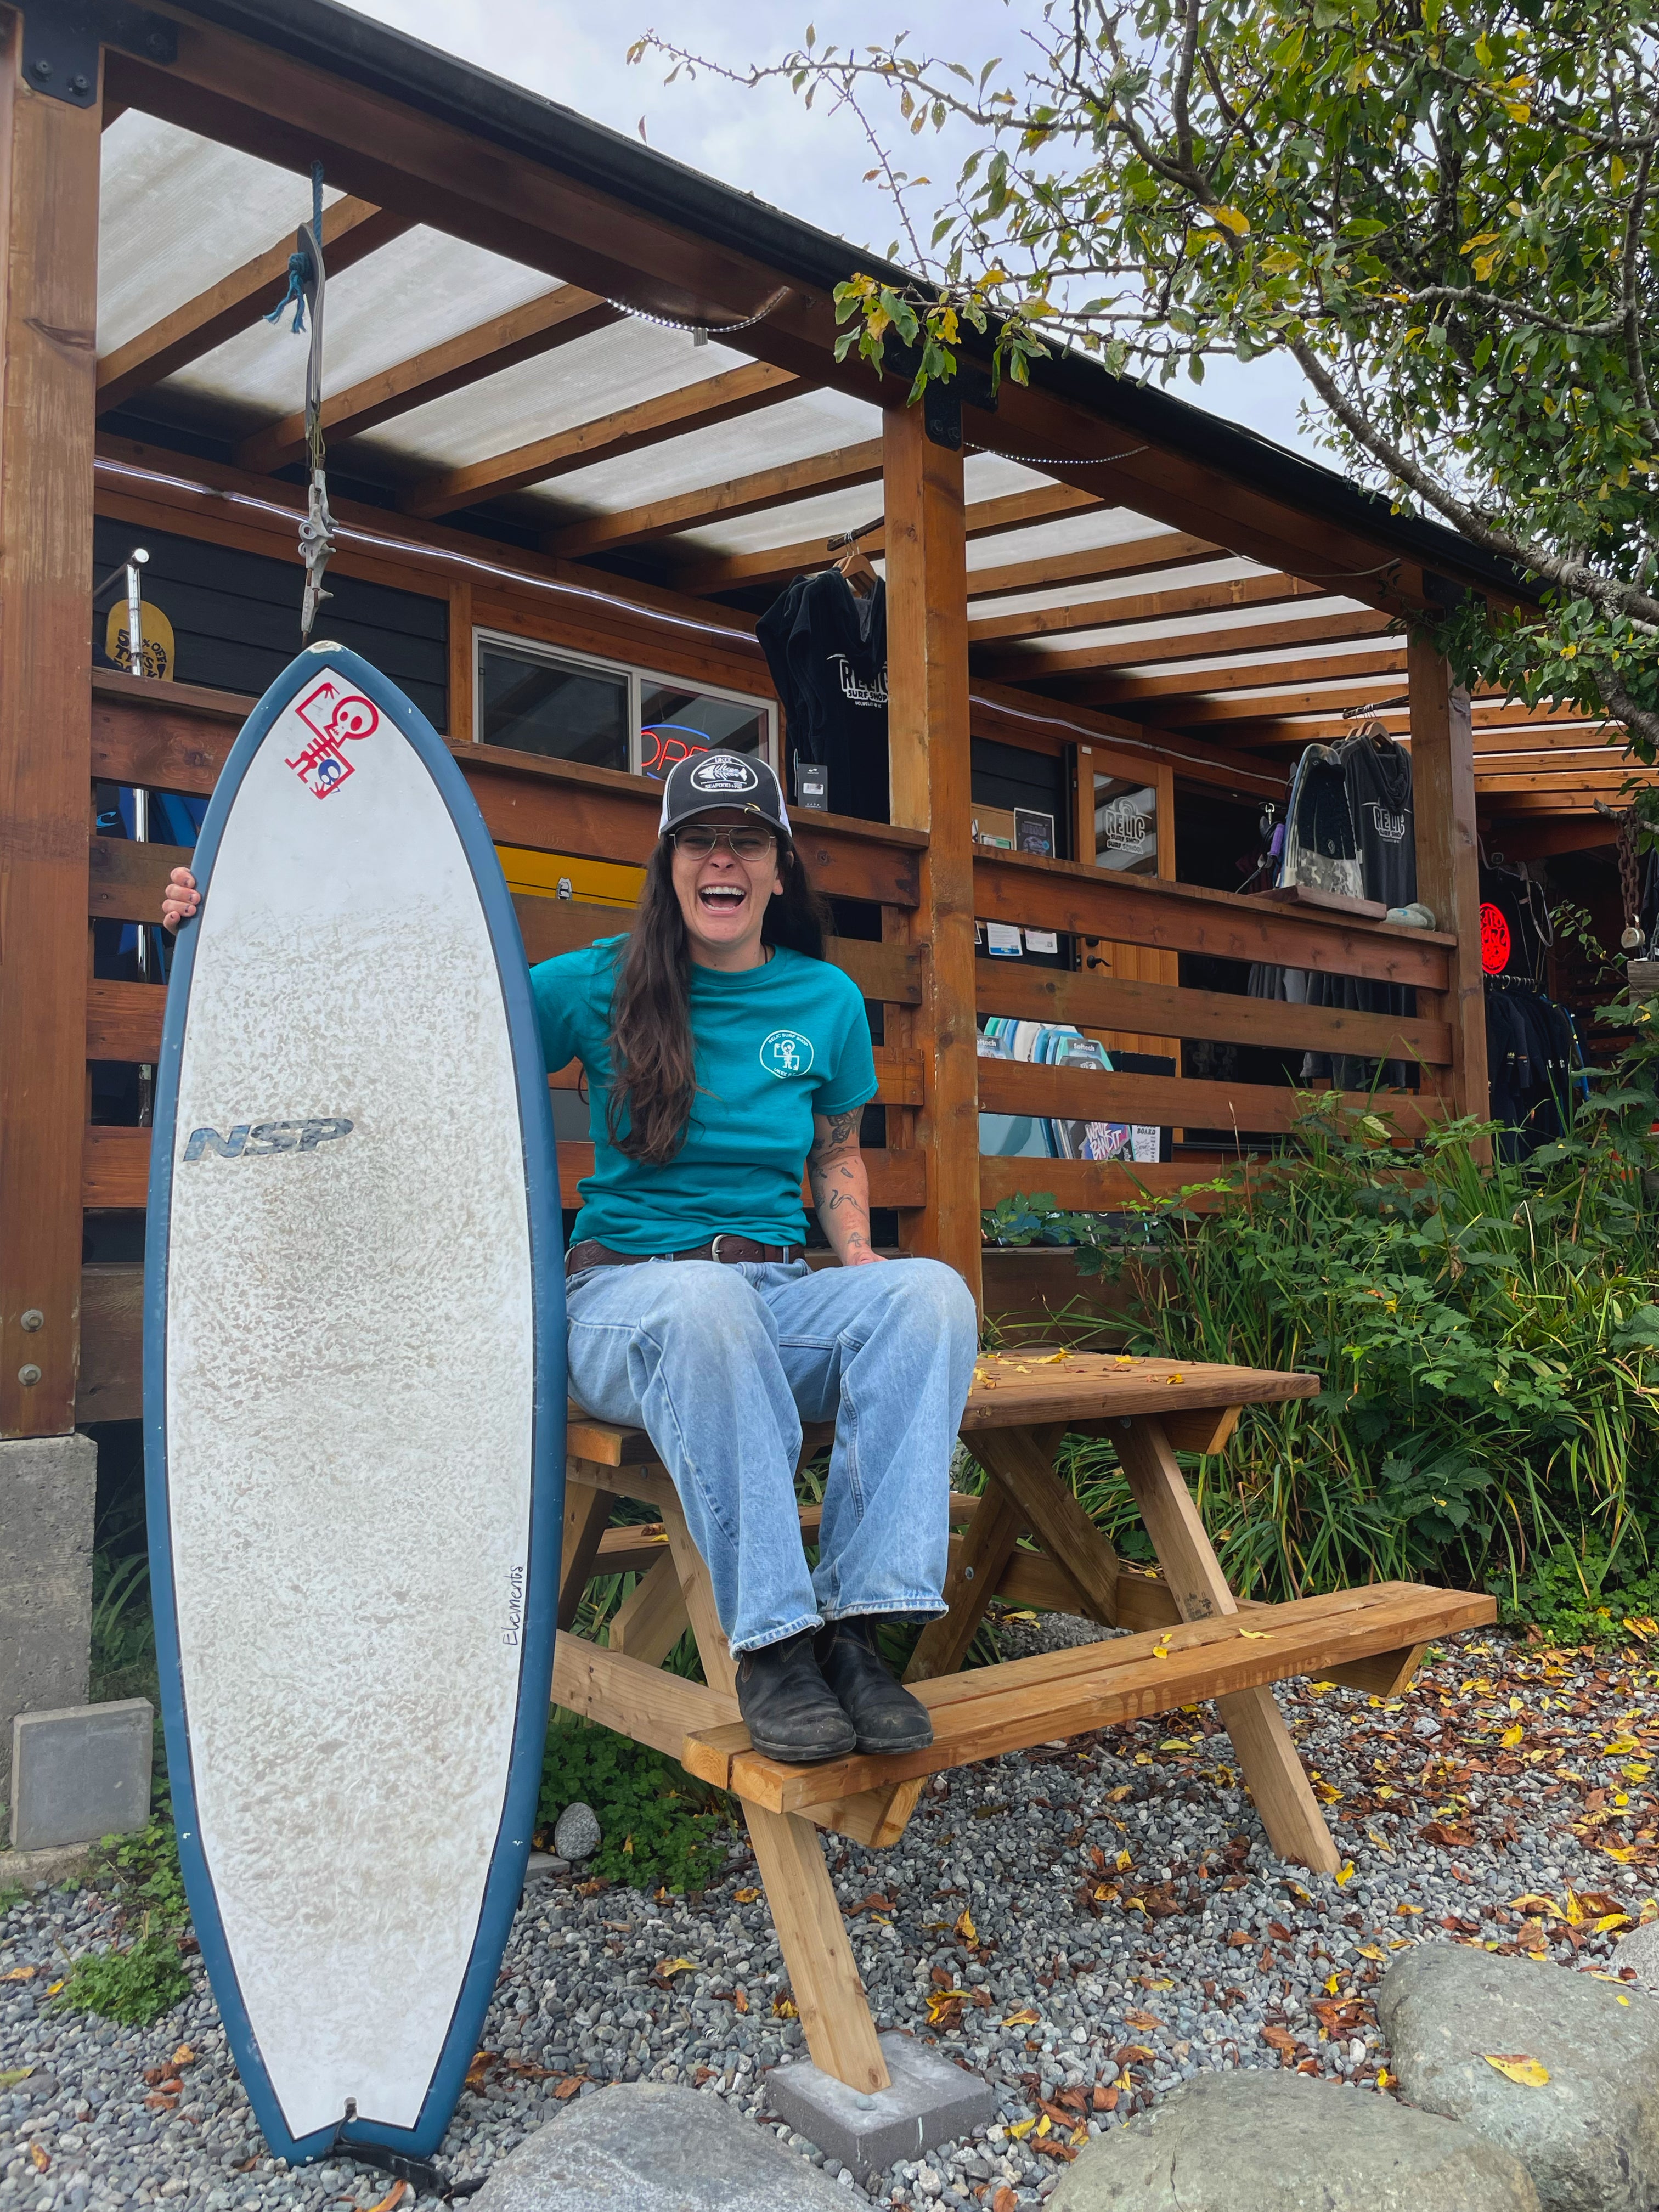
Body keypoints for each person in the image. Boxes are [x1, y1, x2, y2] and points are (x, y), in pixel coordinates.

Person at [161, 749, 979, 1766]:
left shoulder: (824, 999)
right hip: (624, 1299)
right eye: (699, 842)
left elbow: (837, 1148)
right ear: (669, 863)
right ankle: (775, 1644)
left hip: (771, 1291)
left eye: (745, 842)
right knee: (699, 1306)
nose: (721, 862)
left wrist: (857, 1261)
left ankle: (857, 1632)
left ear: (780, 866)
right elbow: (425, 1018)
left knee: (931, 1296)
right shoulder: (598, 981)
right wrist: (239, 927)